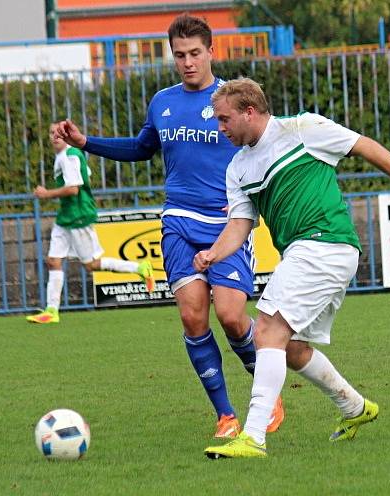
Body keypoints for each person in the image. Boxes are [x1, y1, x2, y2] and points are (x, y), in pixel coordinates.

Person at [54, 15, 284, 437]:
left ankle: (265, 391)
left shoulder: (231, 99)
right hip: (178, 220)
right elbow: (142, 148)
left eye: (195, 53)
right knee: (193, 318)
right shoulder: (162, 101)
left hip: (225, 223)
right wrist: (87, 143)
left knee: (232, 317)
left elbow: (267, 150)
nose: (188, 62)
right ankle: (227, 416)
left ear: (212, 52)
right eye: (180, 55)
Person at [194, 78, 390, 459]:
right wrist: (213, 253)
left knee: (268, 329)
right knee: (289, 347)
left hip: (326, 242)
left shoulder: (302, 129)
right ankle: (354, 407)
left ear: (249, 111)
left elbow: (365, 147)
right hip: (306, 252)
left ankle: (253, 435)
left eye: (225, 119)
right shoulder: (238, 168)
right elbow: (241, 224)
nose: (220, 128)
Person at [27, 123, 154, 324]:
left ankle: (139, 268)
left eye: (59, 133)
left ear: (66, 135)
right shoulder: (65, 156)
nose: (55, 136)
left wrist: (46, 194)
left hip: (78, 215)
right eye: (51, 132)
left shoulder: (70, 156)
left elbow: (74, 189)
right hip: (66, 216)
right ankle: (51, 310)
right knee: (53, 260)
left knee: (91, 265)